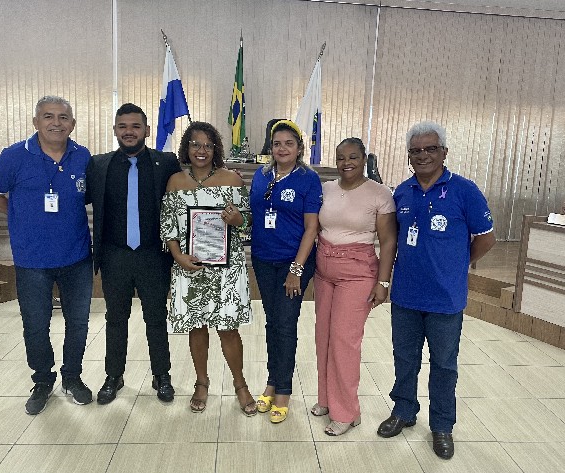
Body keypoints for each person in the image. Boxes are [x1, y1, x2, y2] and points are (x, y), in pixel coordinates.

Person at [377, 121, 496, 460]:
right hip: (406, 296)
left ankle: (442, 425)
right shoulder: (402, 193)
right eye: (415, 151)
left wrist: (458, 263)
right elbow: (392, 239)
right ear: (408, 156)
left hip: (446, 299)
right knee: (405, 359)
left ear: (444, 152)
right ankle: (403, 410)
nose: (423, 155)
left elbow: (487, 239)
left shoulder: (464, 190)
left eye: (430, 149)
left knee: (444, 364)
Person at [0, 96, 93, 415]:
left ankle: (72, 377)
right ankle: (43, 380)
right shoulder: (14, 156)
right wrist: (18, 213)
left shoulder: (83, 156)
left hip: (76, 256)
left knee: (78, 323)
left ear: (72, 124)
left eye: (63, 117)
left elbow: (88, 197)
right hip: (32, 259)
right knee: (35, 324)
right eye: (48, 116)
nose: (56, 123)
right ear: (36, 122)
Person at [86, 103, 180, 404]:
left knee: (156, 317)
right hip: (115, 255)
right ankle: (113, 376)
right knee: (116, 318)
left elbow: (191, 190)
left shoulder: (166, 162)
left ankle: (161, 375)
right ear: (115, 130)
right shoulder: (98, 165)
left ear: (147, 130)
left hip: (154, 254)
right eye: (123, 126)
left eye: (135, 126)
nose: (129, 132)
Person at [160, 121, 256, 416]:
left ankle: (240, 384)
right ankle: (201, 383)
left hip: (226, 270)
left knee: (228, 328)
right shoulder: (175, 181)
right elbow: (168, 226)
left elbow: (248, 223)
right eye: (195, 144)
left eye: (207, 145)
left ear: (216, 149)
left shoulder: (232, 179)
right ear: (186, 148)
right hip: (190, 266)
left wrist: (238, 220)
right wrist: (178, 256)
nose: (201, 150)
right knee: (197, 327)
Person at [312, 137, 397, 436]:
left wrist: (383, 282)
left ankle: (347, 412)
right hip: (324, 272)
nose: (346, 163)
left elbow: (388, 241)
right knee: (323, 338)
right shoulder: (326, 189)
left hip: (358, 275)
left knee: (344, 342)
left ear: (364, 159)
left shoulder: (380, 193)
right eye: (341, 157)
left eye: (353, 157)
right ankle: (327, 399)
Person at [250, 119, 322, 423]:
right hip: (263, 259)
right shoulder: (261, 175)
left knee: (285, 323)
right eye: (277, 143)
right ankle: (272, 380)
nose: (282, 149)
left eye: (289, 143)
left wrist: (296, 269)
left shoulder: (308, 179)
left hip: (294, 262)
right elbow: (253, 214)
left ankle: (283, 391)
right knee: (272, 323)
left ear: (299, 148)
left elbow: (311, 228)